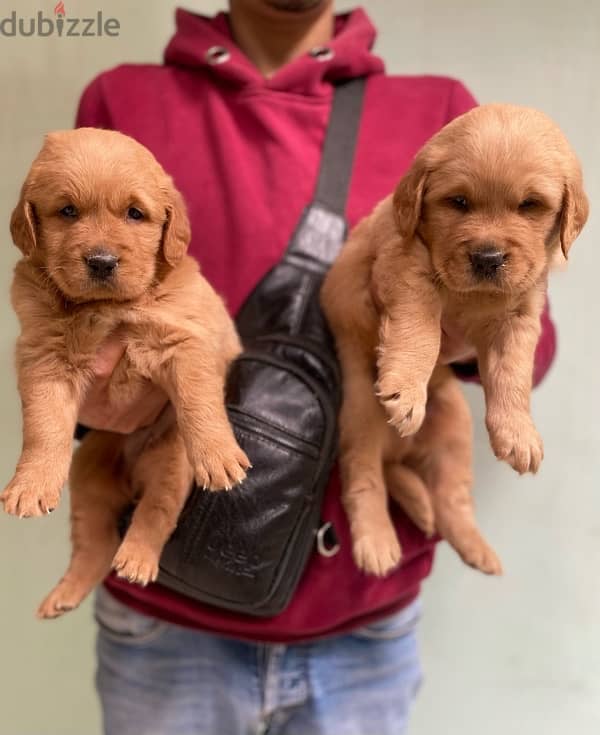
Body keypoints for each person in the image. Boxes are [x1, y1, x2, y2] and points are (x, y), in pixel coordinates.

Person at [77, 2, 556, 733]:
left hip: (365, 621)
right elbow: (70, 310)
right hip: (168, 619)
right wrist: (92, 394)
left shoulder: (444, 113)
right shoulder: (125, 100)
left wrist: (443, 330)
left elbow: (533, 339)